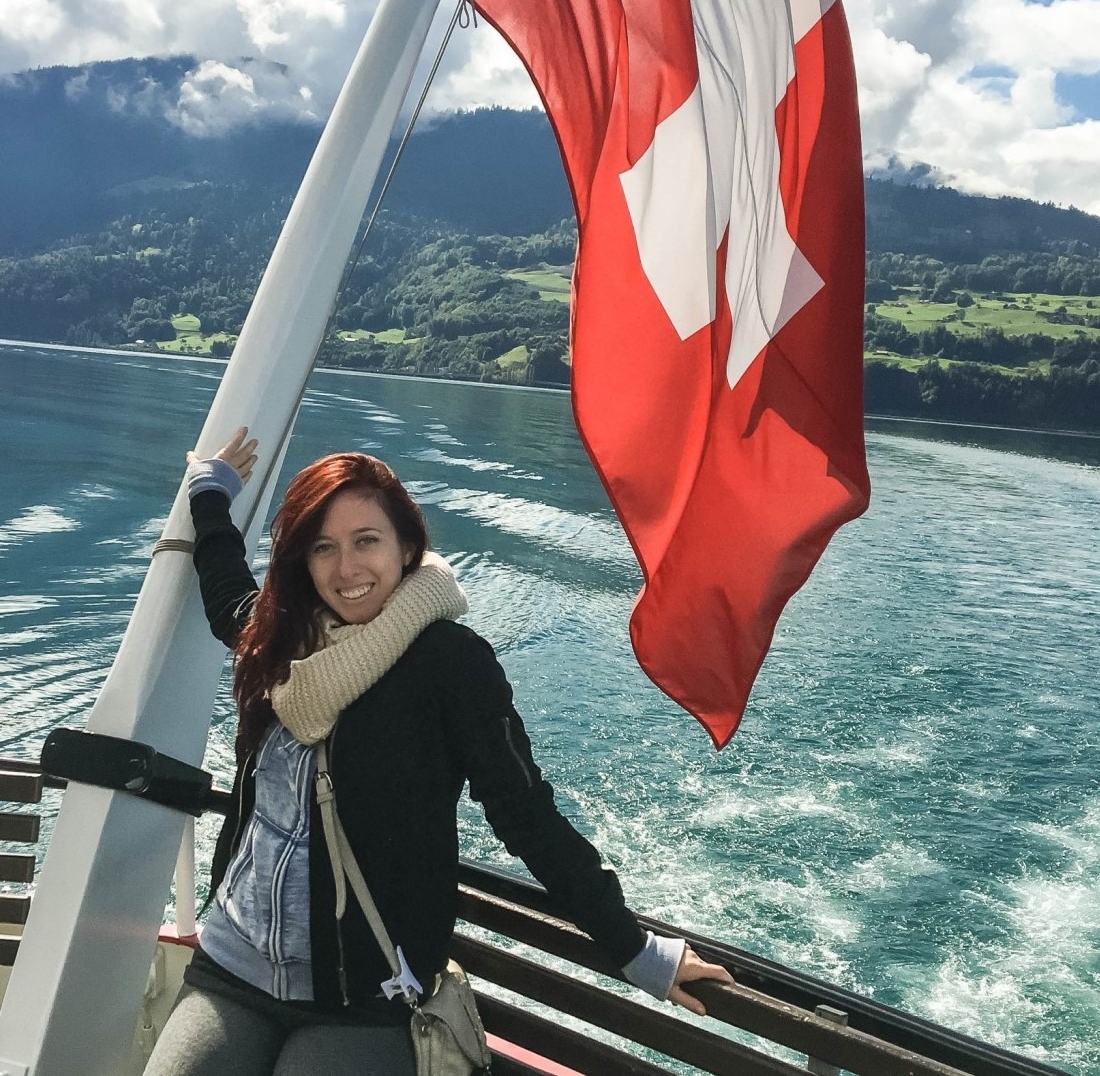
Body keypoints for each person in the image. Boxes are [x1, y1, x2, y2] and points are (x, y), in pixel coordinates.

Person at [146, 427, 731, 1076]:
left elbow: (525, 816)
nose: (347, 570)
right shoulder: (283, 642)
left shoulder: (449, 665)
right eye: (323, 549)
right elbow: (226, 591)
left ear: (406, 547)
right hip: (234, 962)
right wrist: (208, 489)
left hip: (363, 994)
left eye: (367, 541)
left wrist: (636, 951)